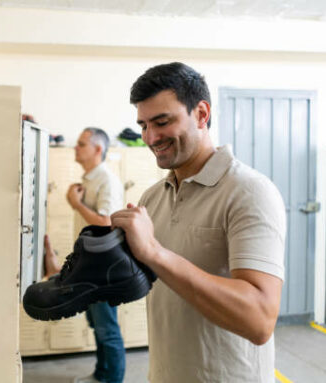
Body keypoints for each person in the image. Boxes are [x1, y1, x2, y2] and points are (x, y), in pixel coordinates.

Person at [110, 62, 286, 383]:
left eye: (162, 122)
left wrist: (154, 252)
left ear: (202, 114)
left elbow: (259, 320)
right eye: (144, 125)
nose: (151, 137)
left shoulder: (249, 192)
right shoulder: (153, 198)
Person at [44, 127, 126, 383]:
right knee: (97, 324)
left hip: (103, 268)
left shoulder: (107, 180)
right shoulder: (90, 179)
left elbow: (105, 222)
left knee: (107, 329)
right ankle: (101, 375)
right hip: (90, 264)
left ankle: (110, 379)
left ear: (98, 150)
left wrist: (76, 204)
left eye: (81, 144)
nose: (75, 148)